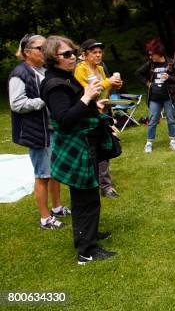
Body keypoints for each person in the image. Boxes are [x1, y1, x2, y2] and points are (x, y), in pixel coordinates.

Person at [40, 36, 116, 265]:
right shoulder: (55, 85)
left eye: (73, 52)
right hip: (76, 144)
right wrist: (87, 97)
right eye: (66, 54)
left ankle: (90, 235)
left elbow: (77, 107)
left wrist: (95, 106)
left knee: (89, 194)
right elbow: (64, 120)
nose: (72, 56)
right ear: (53, 58)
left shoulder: (65, 77)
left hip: (84, 142)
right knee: (85, 197)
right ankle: (86, 250)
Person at [9, 34, 70, 229]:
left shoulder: (44, 70)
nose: (45, 52)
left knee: (54, 172)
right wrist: (44, 99)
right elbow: (16, 104)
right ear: (27, 53)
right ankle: (45, 218)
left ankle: (57, 207)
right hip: (36, 131)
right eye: (40, 48)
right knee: (42, 175)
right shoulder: (20, 74)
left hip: (51, 127)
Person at [74, 39, 123, 199]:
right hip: (89, 114)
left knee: (106, 148)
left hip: (104, 111)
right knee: (91, 150)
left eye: (100, 52)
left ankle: (106, 186)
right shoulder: (80, 69)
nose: (98, 55)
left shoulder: (101, 69)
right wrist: (108, 81)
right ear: (84, 55)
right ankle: (94, 183)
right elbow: (85, 90)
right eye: (94, 52)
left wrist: (115, 85)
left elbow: (104, 88)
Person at [135, 39, 175, 153]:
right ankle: (149, 143)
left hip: (168, 97)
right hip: (155, 98)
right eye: (149, 54)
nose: (150, 57)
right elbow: (138, 73)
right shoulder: (150, 64)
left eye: (152, 54)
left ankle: (173, 141)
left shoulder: (171, 63)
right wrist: (148, 84)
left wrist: (169, 78)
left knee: (171, 119)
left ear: (159, 53)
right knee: (152, 120)